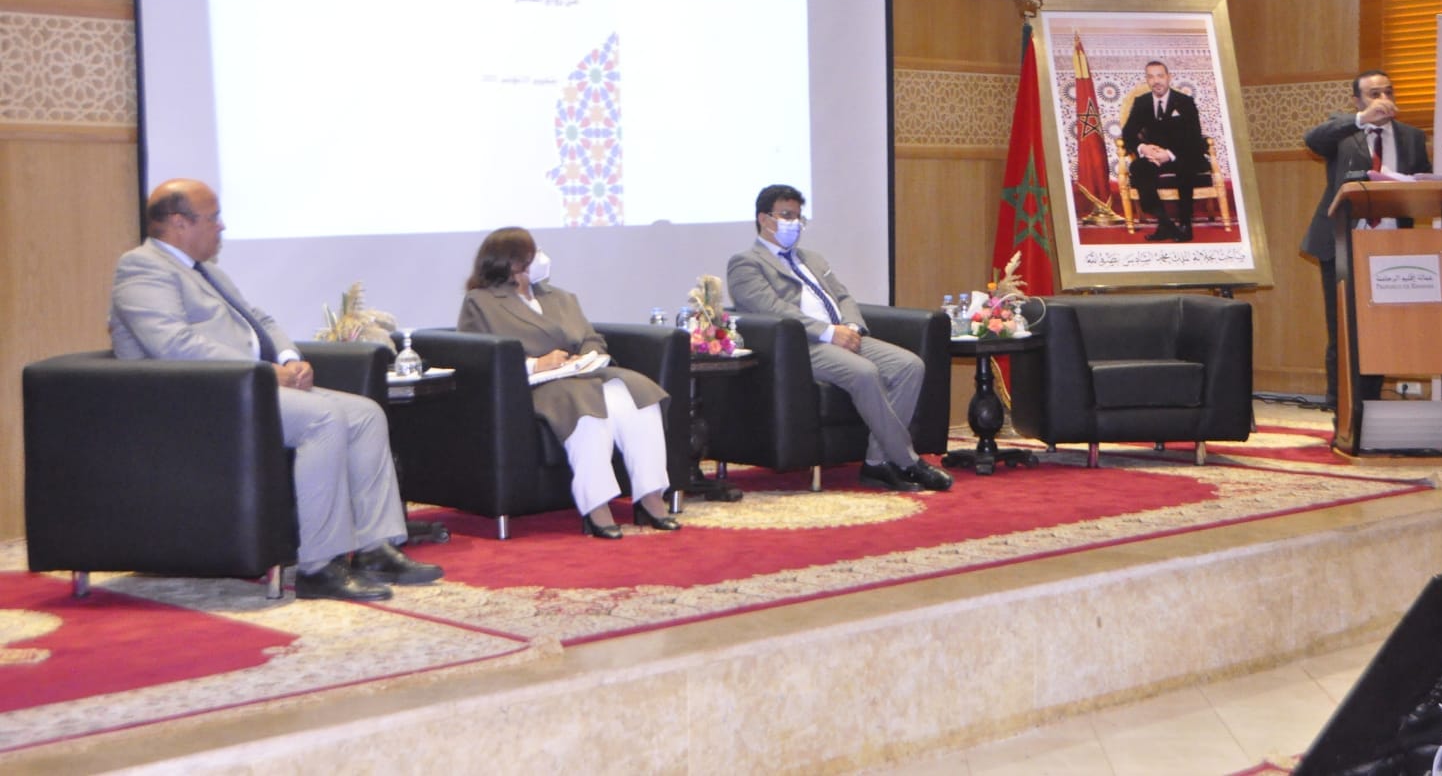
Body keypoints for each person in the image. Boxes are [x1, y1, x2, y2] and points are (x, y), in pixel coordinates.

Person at [109, 179, 443, 602]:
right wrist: (263, 372)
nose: (221, 226)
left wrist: (288, 358)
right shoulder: (141, 268)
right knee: (323, 418)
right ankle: (319, 566)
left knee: (364, 414)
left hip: (246, 388)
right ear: (179, 223)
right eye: (213, 218)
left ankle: (376, 547)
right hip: (198, 401)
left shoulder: (207, 272)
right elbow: (173, 345)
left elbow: (261, 320)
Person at [726, 184, 953, 493]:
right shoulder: (746, 263)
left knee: (909, 366)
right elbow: (772, 308)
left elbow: (843, 296)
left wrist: (852, 327)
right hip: (803, 345)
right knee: (865, 373)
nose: (795, 223)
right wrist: (829, 332)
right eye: (786, 216)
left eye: (798, 217)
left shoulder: (813, 259)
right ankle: (907, 461)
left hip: (843, 334)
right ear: (764, 219)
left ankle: (877, 463)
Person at [457, 228, 680, 539]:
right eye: (532, 253)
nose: (540, 258)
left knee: (638, 394)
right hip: (537, 386)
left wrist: (588, 355)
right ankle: (596, 505)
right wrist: (537, 363)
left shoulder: (561, 297)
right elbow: (479, 356)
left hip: (583, 374)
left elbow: (591, 337)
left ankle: (650, 496)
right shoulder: (481, 302)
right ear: (511, 261)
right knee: (586, 408)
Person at [1302, 69, 1431, 405]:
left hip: (1391, 246)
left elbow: (1424, 185)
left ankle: (1370, 403)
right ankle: (1340, 403)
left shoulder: (1412, 136)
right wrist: (1361, 120)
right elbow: (1313, 140)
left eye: (1388, 92)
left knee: (1380, 329)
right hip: (1343, 243)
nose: (1384, 99)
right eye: (1374, 94)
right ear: (1357, 100)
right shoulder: (1343, 130)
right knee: (1342, 327)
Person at [1121, 60, 1207, 242]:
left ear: (1169, 77)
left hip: (1181, 154)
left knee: (1186, 167)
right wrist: (1144, 148)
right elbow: (1128, 133)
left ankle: (1185, 224)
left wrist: (1169, 154)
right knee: (1138, 168)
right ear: (1147, 80)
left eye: (1160, 76)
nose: (1156, 81)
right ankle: (1165, 223)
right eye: (1151, 77)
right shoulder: (1142, 102)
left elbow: (1194, 137)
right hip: (1154, 156)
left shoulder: (1185, 102)